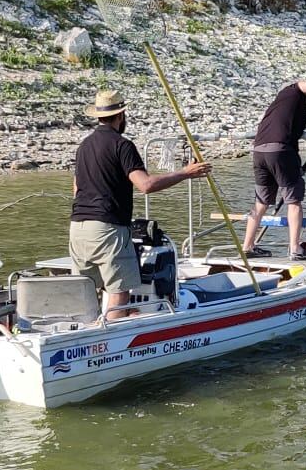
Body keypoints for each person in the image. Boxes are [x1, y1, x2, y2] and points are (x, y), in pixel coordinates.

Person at [70, 90, 209, 321]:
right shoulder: (122, 145)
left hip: (77, 227)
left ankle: (86, 335)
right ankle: (113, 344)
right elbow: (145, 185)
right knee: (119, 290)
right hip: (107, 228)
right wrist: (185, 173)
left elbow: (77, 188)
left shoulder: (84, 146)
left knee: (86, 289)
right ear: (121, 115)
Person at [241, 78, 306, 260]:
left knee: (260, 203)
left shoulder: (280, 106)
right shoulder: (294, 90)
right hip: (280, 151)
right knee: (293, 201)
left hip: (259, 151)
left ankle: (247, 246)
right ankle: (295, 248)